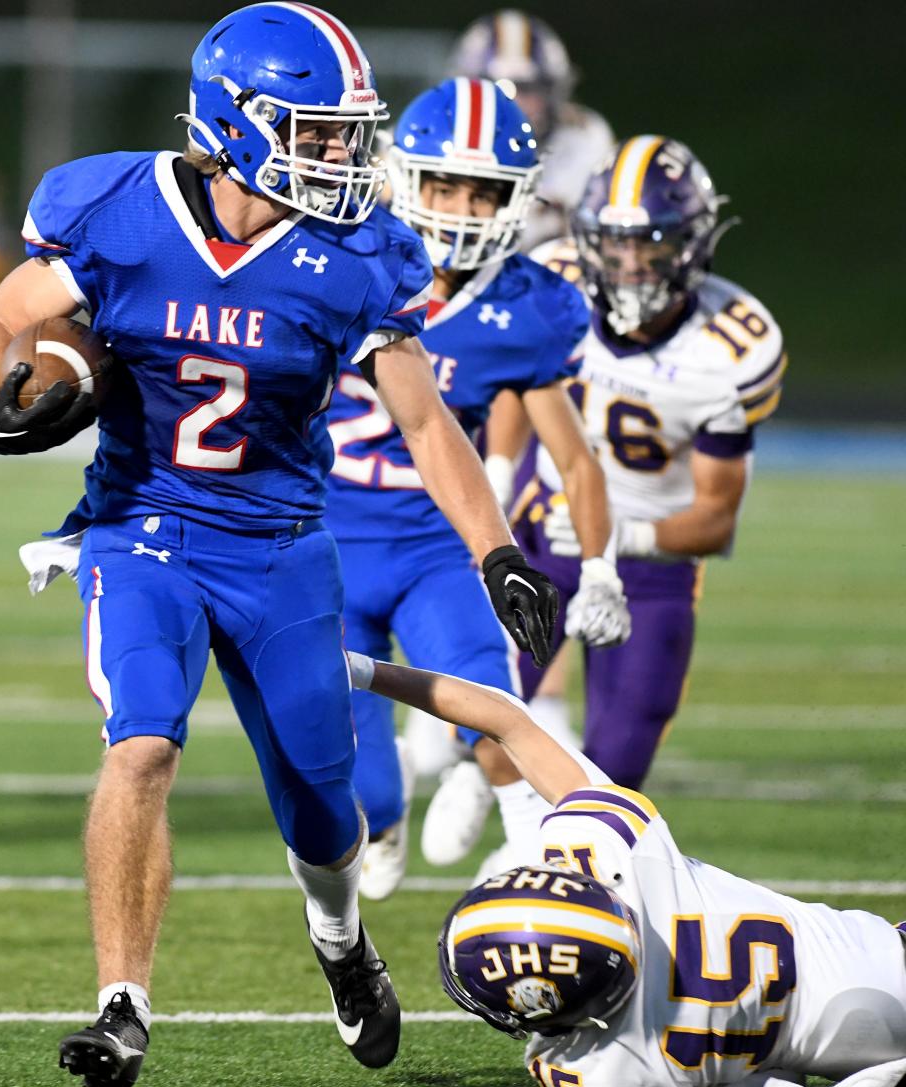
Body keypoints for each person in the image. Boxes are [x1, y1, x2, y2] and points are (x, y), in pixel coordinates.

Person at [0, 4, 559, 1087]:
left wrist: (498, 552)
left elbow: (429, 424)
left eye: (346, 133)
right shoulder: (113, 205)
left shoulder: (358, 254)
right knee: (140, 743)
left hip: (281, 543)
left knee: (324, 808)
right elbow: (2, 320)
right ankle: (122, 1004)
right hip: (144, 527)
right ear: (240, 122)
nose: (344, 155)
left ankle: (340, 941)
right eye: (321, 133)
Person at [432, 134, 787, 870]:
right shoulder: (550, 282)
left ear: (693, 243)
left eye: (652, 244)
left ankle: (558, 866)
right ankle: (477, 773)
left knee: (621, 763)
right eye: (614, 244)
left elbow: (716, 515)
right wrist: (497, 470)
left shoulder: (732, 344)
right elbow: (513, 381)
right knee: (482, 703)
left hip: (651, 563)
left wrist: (619, 534)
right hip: (535, 533)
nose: (629, 265)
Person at [346, 650, 906, 1087]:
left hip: (876, 1046)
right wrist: (362, 671)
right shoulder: (617, 850)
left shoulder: (602, 1071)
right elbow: (505, 720)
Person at [324, 77, 630, 901]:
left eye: (483, 190)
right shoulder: (334, 257)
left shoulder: (529, 305)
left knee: (496, 707)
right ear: (403, 175)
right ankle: (384, 819)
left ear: (518, 198)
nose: (461, 207)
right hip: (323, 543)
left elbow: (572, 451)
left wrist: (598, 566)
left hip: (436, 546)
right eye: (445, 183)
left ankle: (551, 864)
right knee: (365, 789)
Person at [449, 10, 615, 251]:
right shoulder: (433, 139)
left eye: (528, 89)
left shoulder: (585, 139)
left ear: (553, 92)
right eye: (499, 88)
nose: (514, 103)